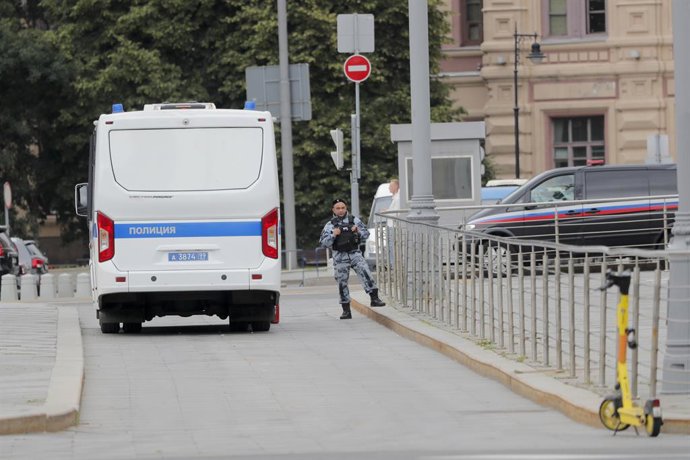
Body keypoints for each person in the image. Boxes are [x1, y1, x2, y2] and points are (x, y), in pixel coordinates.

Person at [320, 198, 386, 319]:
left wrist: (358, 231)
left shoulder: (354, 220)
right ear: (333, 210)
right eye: (338, 208)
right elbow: (324, 243)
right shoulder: (330, 225)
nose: (341, 210)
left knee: (366, 272)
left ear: (346, 208)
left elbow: (366, 234)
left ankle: (374, 298)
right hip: (340, 256)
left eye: (343, 208)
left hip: (354, 253)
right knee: (342, 282)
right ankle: (346, 310)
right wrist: (333, 234)